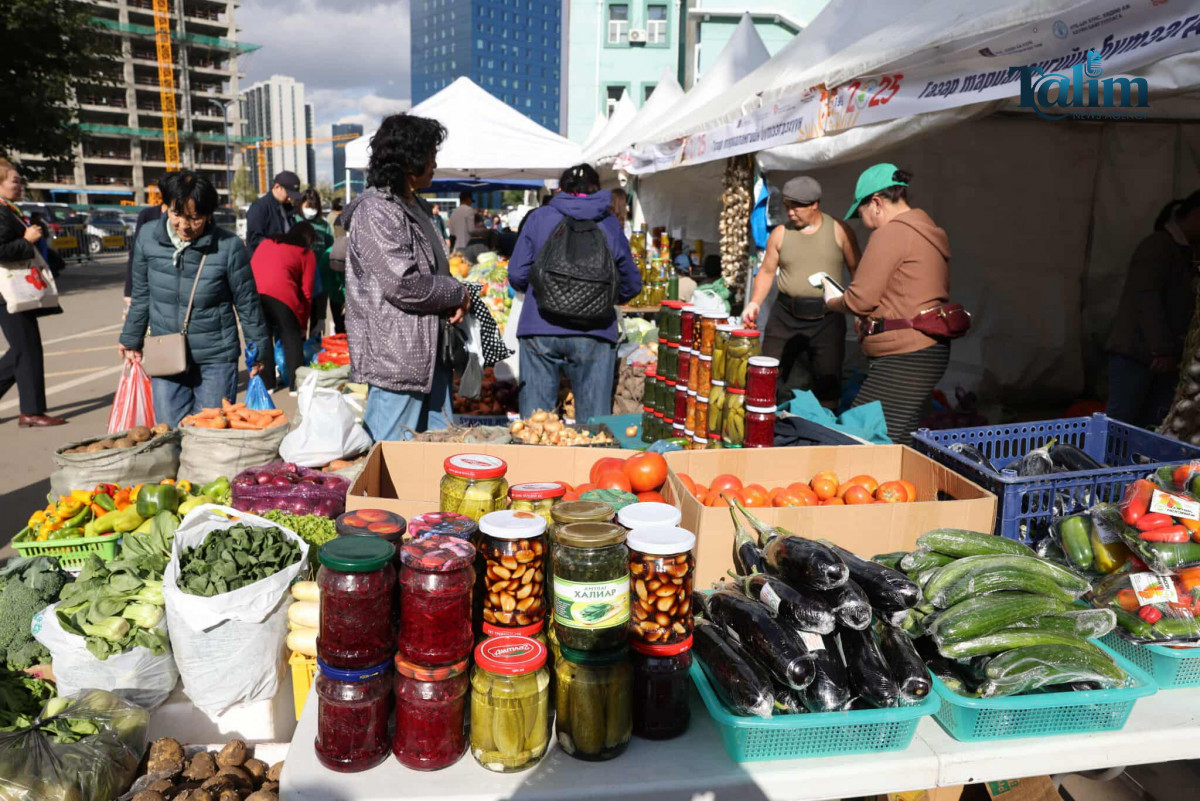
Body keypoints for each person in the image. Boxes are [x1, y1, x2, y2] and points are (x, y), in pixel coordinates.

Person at [341, 113, 469, 441]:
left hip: (431, 354)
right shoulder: (377, 210)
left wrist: (452, 298)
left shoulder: (416, 207)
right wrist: (457, 292)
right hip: (398, 358)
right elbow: (404, 284)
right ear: (409, 161)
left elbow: (432, 272)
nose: (435, 163)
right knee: (392, 454)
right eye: (430, 155)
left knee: (437, 450)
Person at [119, 171, 271, 426]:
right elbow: (141, 294)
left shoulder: (228, 246)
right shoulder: (147, 237)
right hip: (165, 352)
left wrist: (258, 349)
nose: (184, 225)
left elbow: (247, 302)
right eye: (176, 214)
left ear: (209, 214)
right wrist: (130, 338)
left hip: (216, 357)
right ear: (166, 207)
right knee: (170, 430)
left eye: (194, 218)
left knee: (210, 433)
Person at [825, 164, 952, 445]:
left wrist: (832, 301)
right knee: (897, 441)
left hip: (905, 355)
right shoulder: (926, 229)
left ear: (876, 203)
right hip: (929, 350)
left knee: (861, 440)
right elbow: (908, 291)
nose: (863, 220)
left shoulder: (891, 233)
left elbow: (860, 299)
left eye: (861, 212)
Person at [509, 163, 641, 422]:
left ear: (560, 189)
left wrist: (541, 292)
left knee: (536, 425)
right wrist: (605, 299)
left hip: (539, 328)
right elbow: (632, 284)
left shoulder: (539, 218)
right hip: (594, 331)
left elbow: (516, 274)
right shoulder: (609, 223)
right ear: (597, 189)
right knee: (593, 427)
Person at [743, 176, 860, 406]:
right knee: (769, 375)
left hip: (827, 318)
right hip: (785, 317)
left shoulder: (839, 230)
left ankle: (824, 425)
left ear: (814, 204)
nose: (790, 212)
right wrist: (754, 302)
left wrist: (859, 311)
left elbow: (857, 268)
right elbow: (766, 271)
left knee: (827, 383)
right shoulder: (780, 233)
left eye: (796, 207)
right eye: (787, 206)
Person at [1106, 191, 1200, 428]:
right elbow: (1146, 299)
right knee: (1120, 424)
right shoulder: (1158, 246)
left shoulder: (1184, 251)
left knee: (1149, 424)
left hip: (1160, 357)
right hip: (1137, 354)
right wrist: (1161, 349)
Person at [0, 158, 65, 427]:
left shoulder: (10, 210)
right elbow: (2, 250)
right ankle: (31, 411)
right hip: (7, 293)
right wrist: (26, 241)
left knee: (22, 349)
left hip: (14, 292)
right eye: (14, 181)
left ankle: (32, 410)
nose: (20, 185)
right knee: (27, 350)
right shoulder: (1, 212)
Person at [252, 221, 317, 392]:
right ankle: (296, 386)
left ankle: (268, 385)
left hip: (255, 292)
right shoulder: (306, 253)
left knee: (264, 339)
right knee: (291, 337)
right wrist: (302, 324)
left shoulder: (267, 242)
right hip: (283, 295)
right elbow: (307, 292)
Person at [124, 183, 172, 309]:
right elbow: (135, 253)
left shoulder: (186, 219)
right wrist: (129, 290)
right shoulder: (147, 215)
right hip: (148, 281)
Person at [299, 188, 334, 337]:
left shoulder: (324, 225)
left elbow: (330, 249)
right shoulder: (295, 221)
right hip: (300, 280)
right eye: (308, 206)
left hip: (320, 281)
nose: (311, 210)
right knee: (299, 323)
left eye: (314, 207)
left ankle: (315, 344)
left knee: (317, 325)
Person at [245, 170, 302, 257]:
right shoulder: (259, 208)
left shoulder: (287, 208)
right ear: (277, 187)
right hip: (265, 260)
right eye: (288, 194)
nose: (290, 198)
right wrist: (279, 247)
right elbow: (255, 239)